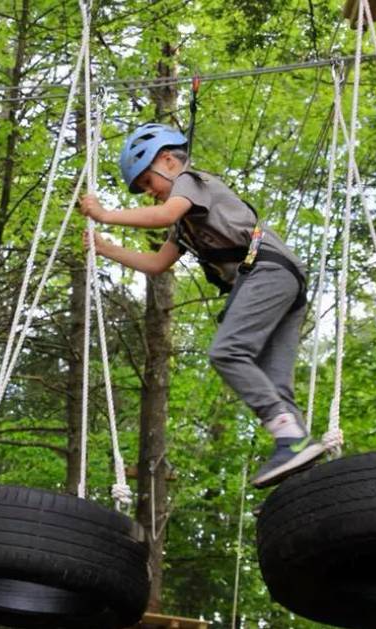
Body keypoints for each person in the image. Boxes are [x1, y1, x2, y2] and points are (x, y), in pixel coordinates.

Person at [79, 122, 325, 488]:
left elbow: (162, 215)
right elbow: (157, 264)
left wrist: (105, 214)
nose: (150, 194)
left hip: (267, 271)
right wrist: (106, 248)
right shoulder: (184, 225)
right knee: (275, 382)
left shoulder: (190, 182)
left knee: (228, 352)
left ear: (168, 161)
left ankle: (289, 437)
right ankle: (301, 465)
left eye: (148, 182)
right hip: (281, 281)